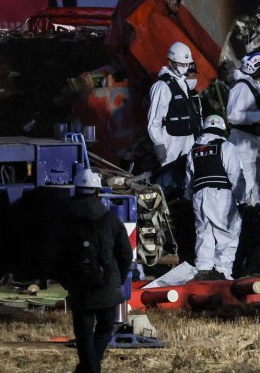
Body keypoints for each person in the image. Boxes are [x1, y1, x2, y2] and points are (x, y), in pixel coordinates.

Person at [55, 167, 133, 373]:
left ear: (76, 190)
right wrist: (119, 279)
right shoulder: (111, 220)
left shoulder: (65, 221)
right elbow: (126, 255)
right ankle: (90, 369)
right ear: (98, 192)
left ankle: (87, 369)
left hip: (79, 290)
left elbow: (55, 256)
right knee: (105, 329)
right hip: (107, 288)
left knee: (83, 335)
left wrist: (67, 282)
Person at [184, 114, 245, 280]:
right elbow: (235, 175)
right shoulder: (226, 146)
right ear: (222, 129)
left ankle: (203, 270)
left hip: (199, 195)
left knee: (205, 233)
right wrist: (241, 199)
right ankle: (223, 273)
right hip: (220, 196)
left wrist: (190, 196)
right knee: (228, 233)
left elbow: (189, 179)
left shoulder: (194, 150)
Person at [146, 41, 203, 186]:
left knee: (188, 180)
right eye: (181, 64)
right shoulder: (162, 86)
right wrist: (158, 143)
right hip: (171, 142)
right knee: (168, 179)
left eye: (187, 65)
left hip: (189, 140)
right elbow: (154, 121)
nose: (185, 68)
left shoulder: (185, 85)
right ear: (171, 62)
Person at [225, 51, 260, 205]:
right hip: (242, 141)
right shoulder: (242, 88)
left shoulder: (254, 87)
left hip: (256, 141)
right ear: (258, 69)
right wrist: (259, 116)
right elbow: (233, 115)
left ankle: (256, 213)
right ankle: (241, 214)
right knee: (245, 183)